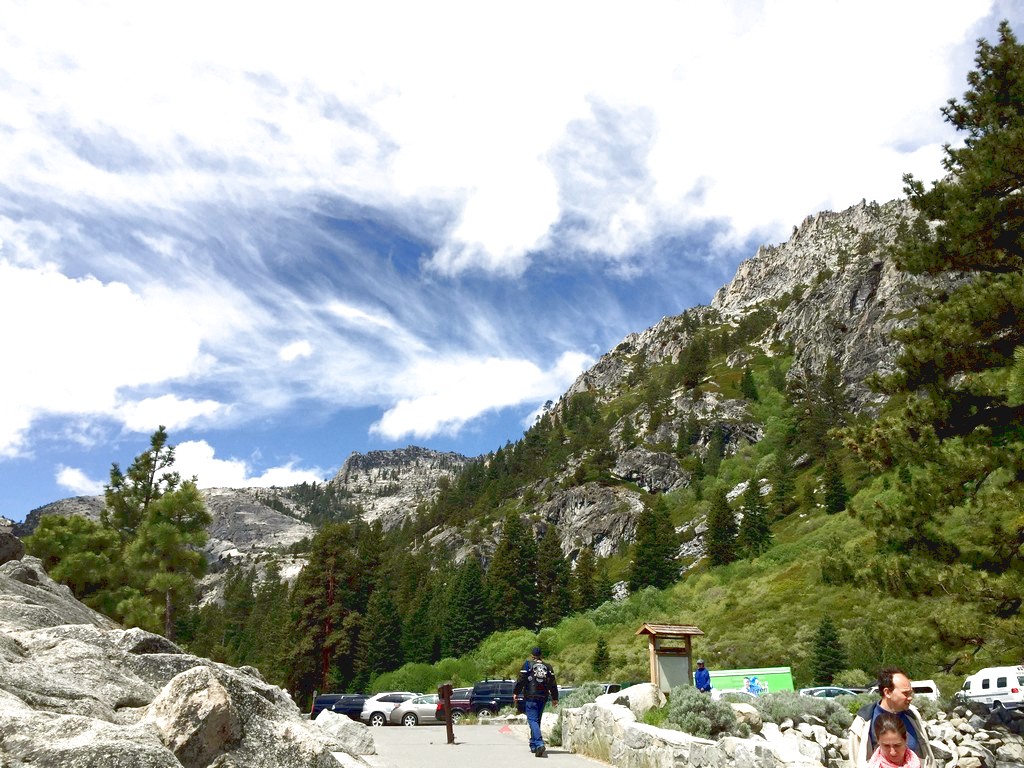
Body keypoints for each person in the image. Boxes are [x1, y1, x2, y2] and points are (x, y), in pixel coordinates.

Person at [848, 667, 935, 768]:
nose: (910, 697)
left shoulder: (913, 716)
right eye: (905, 693)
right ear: (887, 692)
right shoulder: (863, 723)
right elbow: (856, 763)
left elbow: (927, 756)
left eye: (910, 693)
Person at [513, 646, 559, 758]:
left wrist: (516, 692)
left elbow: (521, 679)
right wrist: (554, 698)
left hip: (531, 696)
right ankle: (533, 744)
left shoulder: (527, 665)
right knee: (537, 721)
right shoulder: (548, 667)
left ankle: (539, 743)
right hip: (543, 696)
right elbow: (553, 683)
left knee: (532, 720)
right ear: (541, 655)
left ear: (532, 655)